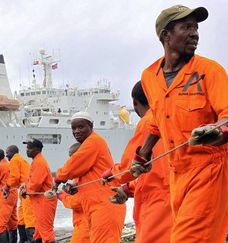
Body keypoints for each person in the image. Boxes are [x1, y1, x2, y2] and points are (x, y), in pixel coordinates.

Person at [132, 5, 228, 242]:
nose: (195, 34)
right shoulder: (149, 76)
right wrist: (143, 154)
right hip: (177, 174)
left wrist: (220, 129)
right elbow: (157, 121)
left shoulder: (209, 71)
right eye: (187, 27)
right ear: (166, 35)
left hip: (209, 170)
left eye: (196, 28)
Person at [102, 81, 172, 243]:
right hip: (174, 194)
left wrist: (112, 174)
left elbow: (130, 166)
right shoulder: (170, 119)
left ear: (135, 103)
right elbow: (158, 170)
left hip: (157, 203)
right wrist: (129, 189)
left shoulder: (148, 121)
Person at [54, 111, 126, 243]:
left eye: (81, 127)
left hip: (104, 206)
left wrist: (58, 181)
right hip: (97, 208)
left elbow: (73, 165)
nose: (76, 131)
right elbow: (83, 171)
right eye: (74, 128)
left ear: (91, 126)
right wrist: (75, 186)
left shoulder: (94, 141)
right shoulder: (92, 144)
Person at [20, 139, 57, 243]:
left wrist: (26, 190)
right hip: (39, 201)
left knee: (46, 230)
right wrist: (25, 186)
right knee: (39, 231)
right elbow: (32, 180)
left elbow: (36, 184)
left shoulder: (40, 162)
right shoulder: (36, 161)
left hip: (45, 201)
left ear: (37, 150)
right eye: (27, 148)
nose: (27, 150)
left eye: (29, 148)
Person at [57, 143, 90, 243]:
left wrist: (61, 195)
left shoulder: (88, 176)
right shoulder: (80, 175)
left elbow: (77, 203)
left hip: (87, 224)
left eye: (73, 157)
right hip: (82, 221)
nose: (71, 161)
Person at [2, 145, 36, 242]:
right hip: (23, 191)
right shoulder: (21, 160)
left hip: (27, 191)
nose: (6, 156)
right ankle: (23, 240)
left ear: (13, 152)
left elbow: (14, 177)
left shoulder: (14, 160)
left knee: (28, 217)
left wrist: (7, 187)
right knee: (21, 216)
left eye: (7, 153)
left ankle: (31, 240)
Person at [0, 149, 18, 243]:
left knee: (0, 225)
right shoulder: (10, 164)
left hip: (5, 195)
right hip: (14, 194)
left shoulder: (0, 166)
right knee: (12, 222)